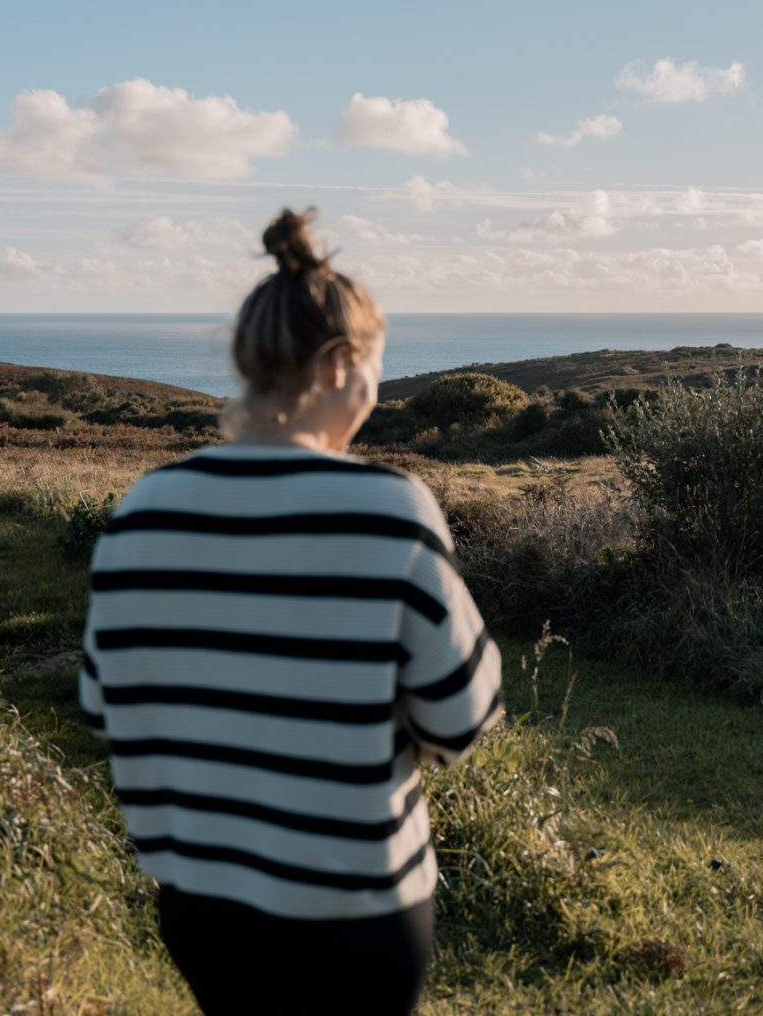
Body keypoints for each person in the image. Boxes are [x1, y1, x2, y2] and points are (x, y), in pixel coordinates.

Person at [79, 208, 503, 1015]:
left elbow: (106, 707)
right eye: (378, 368)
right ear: (342, 366)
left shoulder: (145, 509)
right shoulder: (389, 510)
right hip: (357, 908)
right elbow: (463, 719)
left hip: (201, 900)